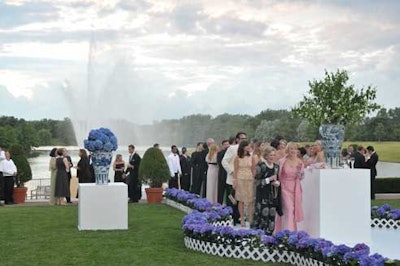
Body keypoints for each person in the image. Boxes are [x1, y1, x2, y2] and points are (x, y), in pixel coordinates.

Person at [251, 146, 282, 235]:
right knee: (261, 217)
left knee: (271, 217)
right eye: (270, 155)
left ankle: (269, 237)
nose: (272, 157)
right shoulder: (261, 166)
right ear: (266, 156)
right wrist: (268, 180)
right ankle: (258, 236)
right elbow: (256, 182)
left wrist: (277, 183)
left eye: (273, 155)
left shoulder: (276, 167)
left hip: (272, 196)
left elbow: (277, 179)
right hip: (262, 196)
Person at [275, 142, 305, 232]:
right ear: (288, 150)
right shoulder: (282, 161)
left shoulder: (300, 162)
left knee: (293, 210)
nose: (293, 150)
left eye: (295, 148)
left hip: (295, 189)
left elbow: (301, 177)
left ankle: (291, 231)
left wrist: (300, 173)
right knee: (289, 208)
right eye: (291, 148)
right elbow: (277, 174)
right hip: (284, 187)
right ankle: (289, 231)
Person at [222, 132, 247, 226]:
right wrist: (232, 172)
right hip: (232, 179)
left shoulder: (247, 150)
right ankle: (231, 219)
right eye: (242, 139)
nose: (244, 140)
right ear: (237, 139)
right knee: (232, 201)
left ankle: (239, 218)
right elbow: (224, 161)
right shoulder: (232, 149)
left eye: (245, 139)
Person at [233, 140, 254, 227]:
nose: (249, 147)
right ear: (243, 147)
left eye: (249, 146)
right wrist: (235, 181)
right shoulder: (237, 158)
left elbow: (253, 169)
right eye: (247, 146)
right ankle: (242, 218)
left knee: (250, 200)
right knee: (241, 200)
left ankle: (251, 218)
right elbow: (235, 170)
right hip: (240, 179)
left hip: (249, 179)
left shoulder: (251, 157)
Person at [216, 138, 232, 204]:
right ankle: (219, 204)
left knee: (229, 192)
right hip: (222, 174)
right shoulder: (220, 153)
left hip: (229, 175)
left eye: (227, 144)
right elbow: (220, 163)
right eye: (225, 144)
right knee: (220, 192)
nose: (226, 145)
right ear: (222, 145)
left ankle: (229, 205)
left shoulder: (231, 153)